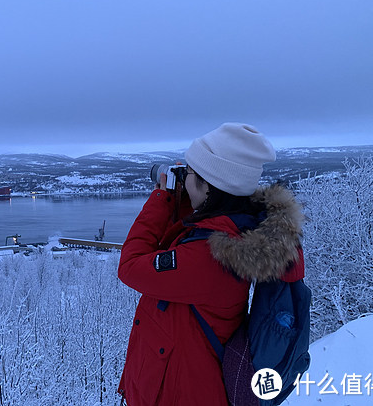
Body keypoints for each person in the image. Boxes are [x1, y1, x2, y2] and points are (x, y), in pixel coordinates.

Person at [117, 123, 305, 406]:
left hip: (184, 394)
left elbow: (130, 266)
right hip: (188, 385)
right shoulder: (236, 231)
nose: (185, 178)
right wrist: (186, 201)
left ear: (210, 187)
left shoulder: (210, 256)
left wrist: (161, 198)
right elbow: (190, 235)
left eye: (190, 173)